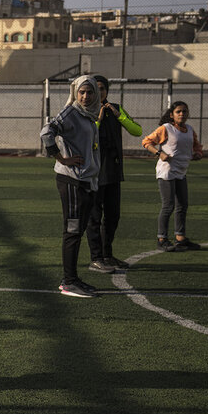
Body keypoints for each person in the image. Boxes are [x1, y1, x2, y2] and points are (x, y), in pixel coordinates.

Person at [39, 75, 102, 298]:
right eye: (82, 92)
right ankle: (68, 282)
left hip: (85, 180)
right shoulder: (71, 112)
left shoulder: (90, 115)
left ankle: (73, 278)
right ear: (75, 92)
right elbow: (47, 132)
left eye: (90, 92)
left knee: (78, 230)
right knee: (73, 231)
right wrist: (60, 158)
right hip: (72, 181)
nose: (85, 96)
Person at [85, 75, 142, 273]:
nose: (99, 92)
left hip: (113, 171)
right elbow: (87, 138)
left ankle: (107, 254)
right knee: (94, 217)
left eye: (102, 89)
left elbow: (137, 131)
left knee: (113, 216)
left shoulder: (116, 109)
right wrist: (98, 120)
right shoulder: (86, 112)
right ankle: (96, 257)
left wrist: (120, 116)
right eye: (95, 89)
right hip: (94, 172)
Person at [142, 101, 203, 252]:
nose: (182, 114)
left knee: (183, 205)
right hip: (166, 172)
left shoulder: (189, 130)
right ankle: (162, 238)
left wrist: (198, 154)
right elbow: (146, 142)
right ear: (172, 115)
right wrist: (159, 153)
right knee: (168, 206)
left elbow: (197, 146)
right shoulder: (166, 129)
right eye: (178, 111)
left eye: (184, 111)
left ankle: (180, 238)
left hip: (181, 172)